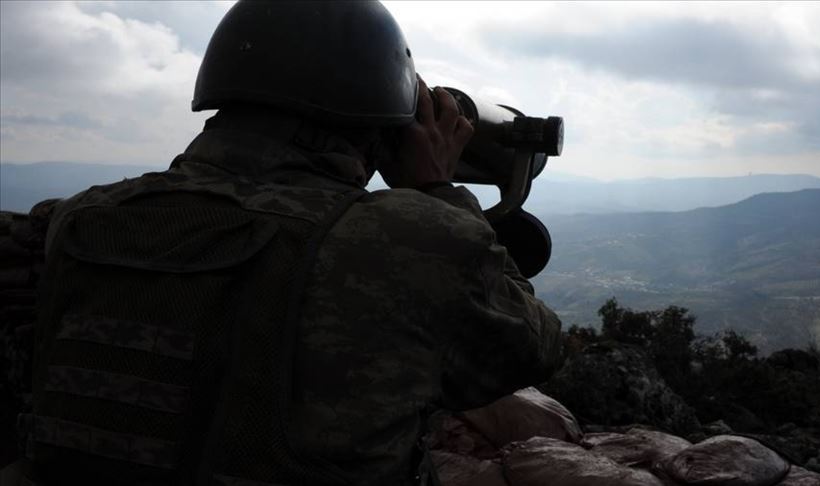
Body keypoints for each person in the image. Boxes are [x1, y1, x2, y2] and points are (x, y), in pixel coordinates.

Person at [18, 1, 562, 485]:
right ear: (379, 124)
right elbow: (535, 347)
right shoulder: (407, 241)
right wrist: (435, 189)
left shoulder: (81, 218)